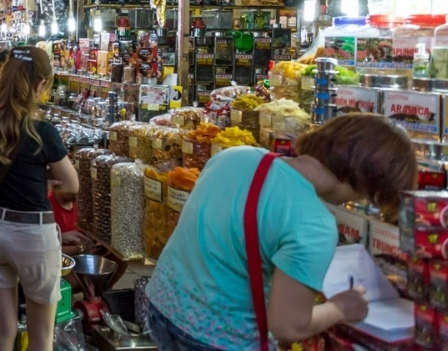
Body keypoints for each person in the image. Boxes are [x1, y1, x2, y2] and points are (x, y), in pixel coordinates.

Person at [145, 113, 417, 350]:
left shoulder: (234, 156)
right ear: (368, 181)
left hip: (160, 308)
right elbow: (289, 327)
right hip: (219, 338)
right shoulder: (314, 223)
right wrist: (342, 308)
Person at [0, 46, 79, 351]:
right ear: (41, 85)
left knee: (2, 329)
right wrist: (43, 177)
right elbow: (71, 183)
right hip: (33, 235)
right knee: (40, 335)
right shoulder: (41, 130)